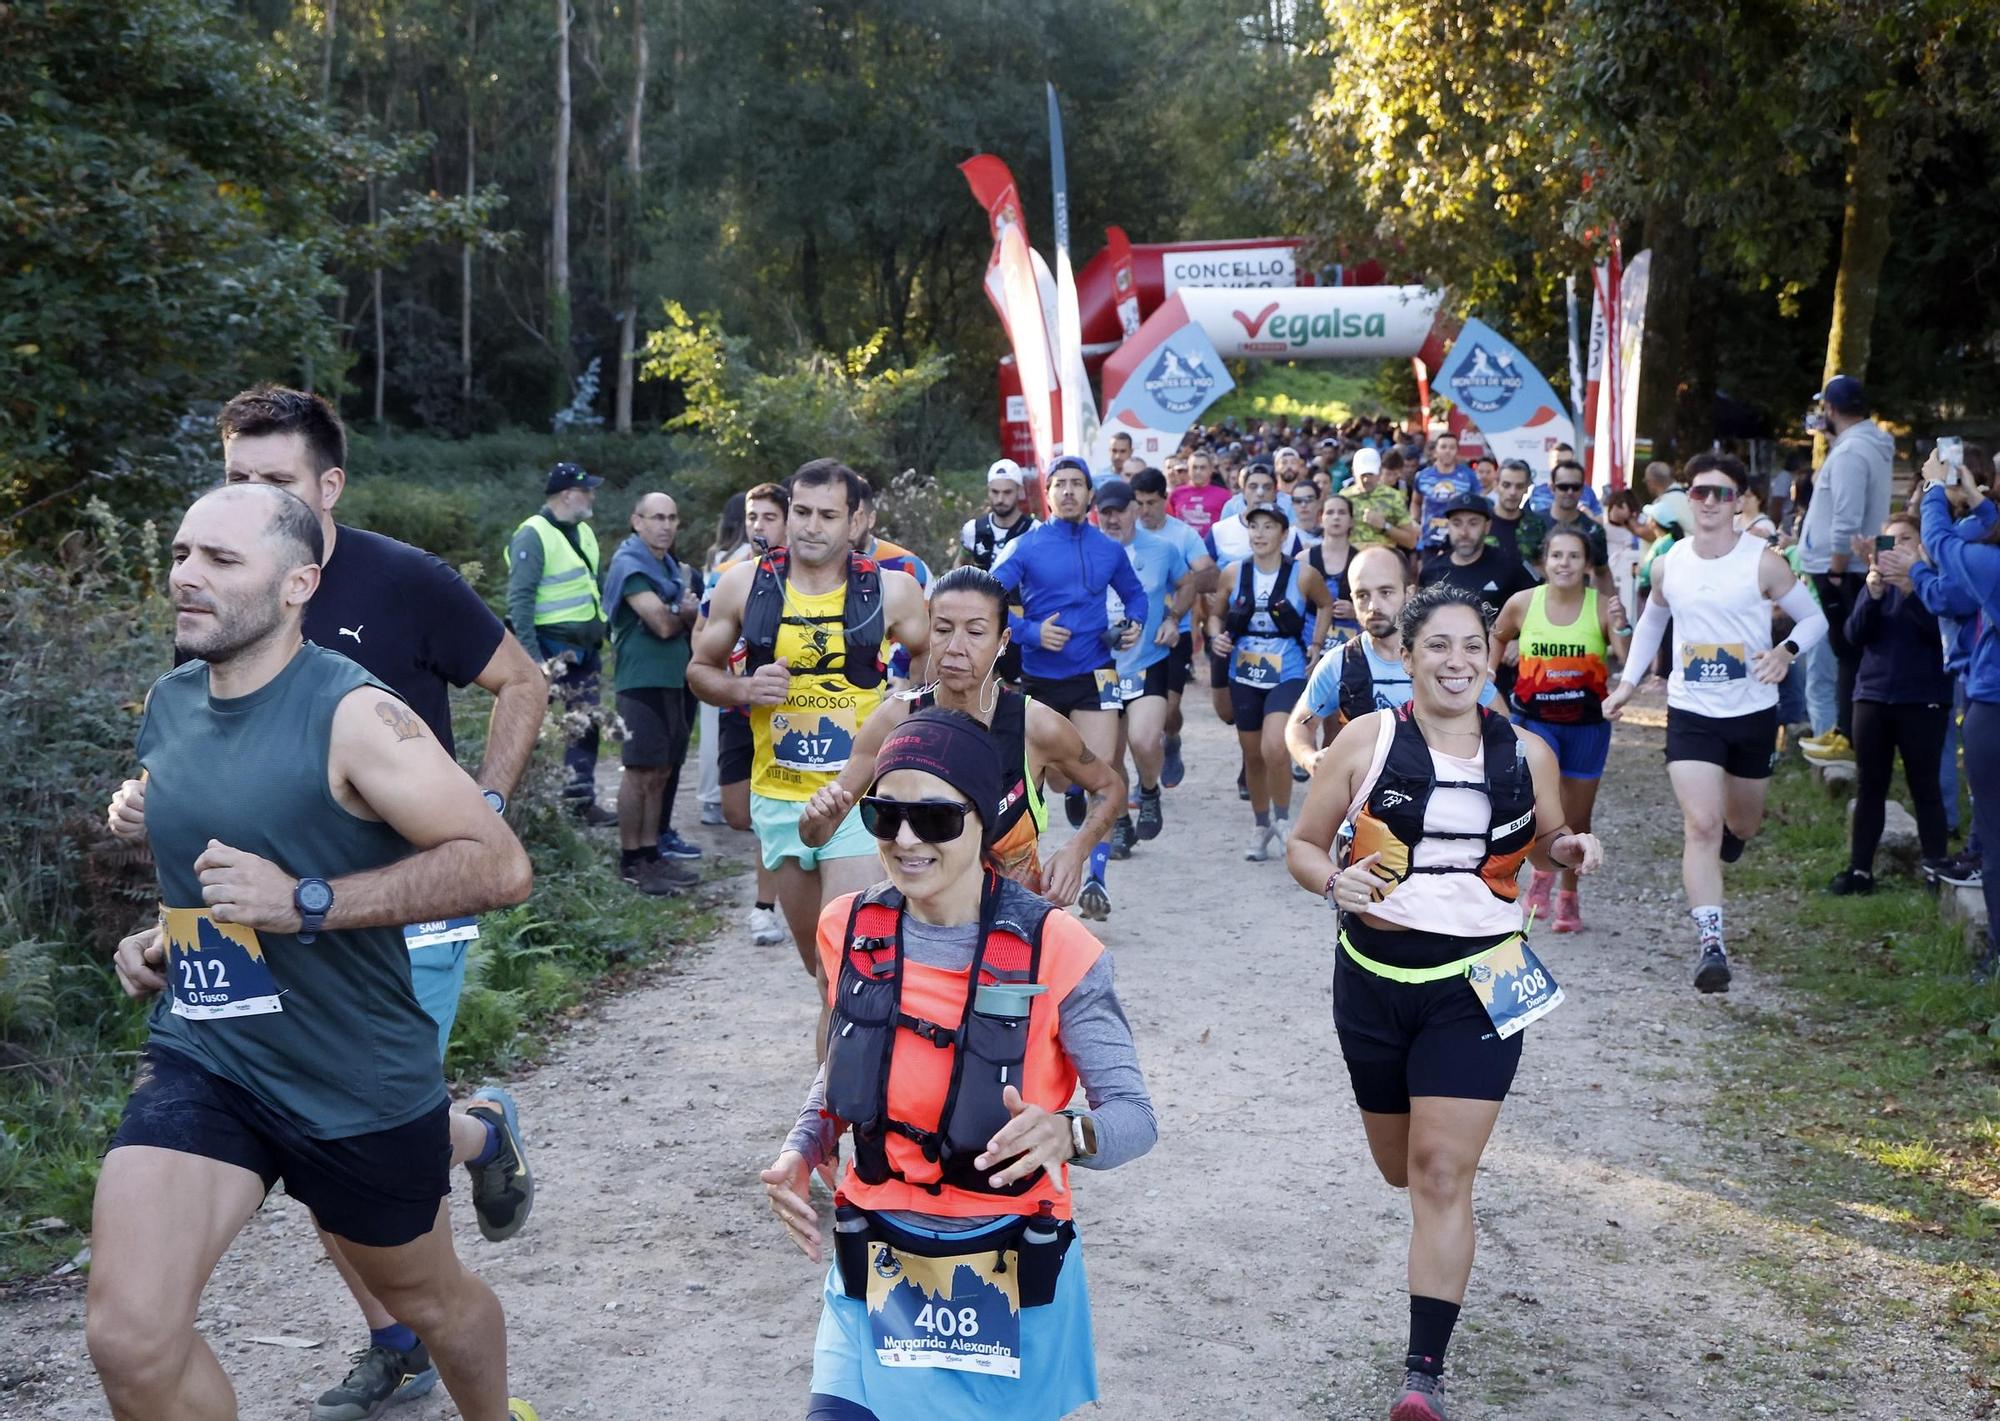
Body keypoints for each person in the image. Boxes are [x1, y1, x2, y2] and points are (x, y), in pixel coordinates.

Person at [116, 386, 544, 1420]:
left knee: (434, 1302)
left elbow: (498, 866)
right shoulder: (172, 703)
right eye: (182, 553)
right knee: (130, 1335)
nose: (186, 575)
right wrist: (161, 939)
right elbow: (220, 874)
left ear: (299, 578)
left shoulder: (358, 712)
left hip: (353, 1071)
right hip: (210, 1052)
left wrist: (304, 899)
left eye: (219, 560)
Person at [761, 708, 1155, 1421]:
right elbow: (850, 1064)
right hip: (874, 1255)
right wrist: (803, 1145)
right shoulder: (850, 926)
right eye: (885, 816)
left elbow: (1135, 1115)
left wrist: (1070, 1133)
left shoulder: (1057, 949)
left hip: (1009, 1264)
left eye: (935, 820)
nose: (906, 839)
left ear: (984, 821)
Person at [1286, 583, 1603, 1421]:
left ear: (1492, 656)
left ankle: (1422, 1373)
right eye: (1438, 646)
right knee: (1399, 1166)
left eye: (1472, 646)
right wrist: (1336, 882)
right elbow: (1304, 846)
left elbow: (1545, 839)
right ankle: (1435, 1222)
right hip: (1373, 981)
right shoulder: (1367, 740)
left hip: (1482, 980)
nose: (1457, 661)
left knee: (1438, 1170)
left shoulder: (1526, 754)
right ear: (1411, 654)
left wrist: (1571, 846)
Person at [689, 459, 930, 975]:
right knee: (817, 971)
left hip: (856, 797)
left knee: (847, 968)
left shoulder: (893, 590)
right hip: (778, 797)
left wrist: (908, 697)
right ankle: (832, 1057)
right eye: (800, 511)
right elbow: (699, 671)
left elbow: (933, 655)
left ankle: (852, 1054)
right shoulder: (742, 585)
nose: (811, 526)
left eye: (827, 515)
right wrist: (744, 687)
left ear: (855, 521)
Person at [1603, 453, 1830, 993]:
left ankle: (1734, 836)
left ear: (1739, 502)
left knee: (1741, 825)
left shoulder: (1764, 562)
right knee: (1701, 824)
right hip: (1691, 714)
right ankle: (1712, 944)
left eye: (1720, 494)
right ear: (1687, 498)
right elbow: (1656, 614)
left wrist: (1786, 652)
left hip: (1752, 712)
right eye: (1699, 492)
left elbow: (1816, 617)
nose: (1708, 502)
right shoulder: (1669, 562)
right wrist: (1629, 684)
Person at [796, 568, 1122, 905]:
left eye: (976, 633)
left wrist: (1076, 850)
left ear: (1003, 641)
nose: (955, 647)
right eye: (942, 630)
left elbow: (1109, 787)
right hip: (921, 932)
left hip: (1009, 934)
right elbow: (816, 834)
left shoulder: (1035, 725)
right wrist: (815, 817)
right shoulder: (895, 719)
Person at [991, 455, 1149, 920]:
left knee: (1104, 772)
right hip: (1041, 679)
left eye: (1077, 485)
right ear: (1048, 494)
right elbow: (990, 597)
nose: (1068, 492)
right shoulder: (1028, 545)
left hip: (1096, 672)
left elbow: (1135, 594)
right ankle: (1023, 869)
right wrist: (1032, 632)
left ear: (1089, 495)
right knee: (1055, 781)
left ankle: (1096, 876)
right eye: (1059, 484)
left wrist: (1136, 622)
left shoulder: (1107, 548)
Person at [1489, 526, 1629, 931]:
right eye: (1556, 556)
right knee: (1538, 807)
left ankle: (1569, 893)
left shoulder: (1601, 605)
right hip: (1535, 725)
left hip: (1587, 728)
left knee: (1578, 816)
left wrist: (1619, 626)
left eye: (1573, 556)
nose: (1564, 563)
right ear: (1543, 562)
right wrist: (1489, 673)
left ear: (1587, 564)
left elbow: (1625, 656)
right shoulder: (1522, 603)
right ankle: (1540, 877)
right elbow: (1496, 637)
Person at [1286, 548, 1500, 774]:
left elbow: (1502, 721)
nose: (1373, 606)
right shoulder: (1339, 662)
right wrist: (1310, 758)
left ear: (1409, 593)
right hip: (1364, 801)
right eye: (1362, 595)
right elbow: (1299, 725)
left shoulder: (1445, 659)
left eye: (1385, 592)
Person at [1828, 512, 1954, 895]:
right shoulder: (1875, 586)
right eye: (1889, 541)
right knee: (1870, 786)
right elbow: (1854, 635)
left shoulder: (1936, 585)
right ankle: (1860, 870)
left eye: (1903, 540)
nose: (1895, 548)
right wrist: (1874, 593)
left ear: (1920, 545)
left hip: (1923, 699)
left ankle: (1935, 869)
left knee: (1925, 786)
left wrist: (1911, 588)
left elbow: (1939, 634)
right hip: (1873, 696)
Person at [1209, 503, 1335, 860]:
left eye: (1268, 527)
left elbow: (1325, 604)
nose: (1259, 534)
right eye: (1254, 527)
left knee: (1275, 748)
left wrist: (1316, 643)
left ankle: (1283, 819)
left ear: (1284, 534)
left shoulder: (1303, 574)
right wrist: (1216, 635)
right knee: (1252, 755)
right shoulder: (1233, 573)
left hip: (1288, 669)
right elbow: (1215, 616)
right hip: (1244, 670)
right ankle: (1261, 824)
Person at [1915, 453, 2000, 977]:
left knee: (1994, 833)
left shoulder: (1991, 565)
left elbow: (1943, 546)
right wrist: (1976, 498)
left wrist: (1932, 490)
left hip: (1994, 705)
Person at [604, 492, 706, 896]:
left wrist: (681, 610)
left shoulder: (667, 566)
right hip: (641, 680)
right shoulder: (630, 564)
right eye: (657, 517)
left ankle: (652, 854)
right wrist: (686, 611)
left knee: (662, 770)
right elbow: (662, 623)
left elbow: (678, 613)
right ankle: (631, 861)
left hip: (672, 679)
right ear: (637, 521)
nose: (665, 525)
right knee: (639, 771)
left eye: (672, 518)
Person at [1095, 478, 1202, 846]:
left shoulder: (1161, 548)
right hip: (1100, 667)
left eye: (1119, 511)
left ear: (1134, 511)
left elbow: (1188, 583)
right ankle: (1121, 819)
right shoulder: (1086, 551)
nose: (1112, 519)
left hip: (1148, 660)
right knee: (1108, 754)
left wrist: (1173, 619)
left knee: (1143, 741)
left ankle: (1151, 790)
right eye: (1104, 512)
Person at [507, 462, 615, 823]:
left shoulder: (583, 531)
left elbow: (591, 587)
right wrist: (533, 658)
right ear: (568, 494)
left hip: (585, 650)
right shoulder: (532, 535)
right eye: (587, 490)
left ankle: (579, 802)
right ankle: (520, 806)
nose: (592, 496)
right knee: (534, 730)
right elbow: (519, 601)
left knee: (585, 726)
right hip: (549, 649)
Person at [710, 481, 794, 947]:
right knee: (739, 813)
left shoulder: (808, 578)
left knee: (770, 812)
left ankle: (765, 907)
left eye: (768, 517)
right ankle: (790, 880)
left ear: (788, 521)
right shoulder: (730, 574)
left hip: (792, 715)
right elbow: (703, 638)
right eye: (751, 517)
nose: (758, 526)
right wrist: (735, 682)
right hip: (740, 709)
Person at [1795, 375, 1895, 765]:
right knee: (1845, 652)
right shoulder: (1864, 444)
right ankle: (1843, 734)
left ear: (1832, 409)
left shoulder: (1853, 451)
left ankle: (1848, 739)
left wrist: (1836, 571)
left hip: (1843, 568)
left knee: (1845, 653)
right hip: (1847, 566)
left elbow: (1846, 515)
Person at [1130, 467, 1218, 789]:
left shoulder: (1183, 535)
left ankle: (1173, 738)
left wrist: (1187, 579)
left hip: (1173, 632)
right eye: (1137, 503)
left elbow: (1209, 574)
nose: (1144, 511)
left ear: (1165, 500)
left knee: (1169, 710)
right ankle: (1144, 779)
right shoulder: (1125, 534)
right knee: (1134, 715)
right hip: (1133, 637)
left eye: (1151, 503)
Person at [696, 493, 749, 827]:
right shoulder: (736, 565)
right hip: (726, 660)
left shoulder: (718, 554)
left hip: (720, 657)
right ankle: (714, 798)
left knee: (710, 734)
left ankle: (710, 798)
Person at [1417, 492, 1536, 624]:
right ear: (1448, 526)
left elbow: (1534, 609)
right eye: (1457, 524)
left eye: (1473, 524)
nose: (1464, 533)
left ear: (1487, 527)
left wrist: (1514, 641)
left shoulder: (1510, 568)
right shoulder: (1431, 571)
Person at [959, 459, 1040, 572]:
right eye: (995, 492)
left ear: (1020, 491)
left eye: (1007, 492)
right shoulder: (973, 530)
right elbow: (959, 565)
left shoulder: (1035, 531)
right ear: (988, 490)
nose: (1000, 499)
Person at [1304, 492, 1362, 647]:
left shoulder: (1363, 560)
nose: (1336, 517)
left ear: (1351, 521)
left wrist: (1356, 612)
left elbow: (1375, 603)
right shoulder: (1303, 559)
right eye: (1330, 512)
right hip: (1309, 637)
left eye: (1342, 512)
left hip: (1350, 640)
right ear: (1320, 519)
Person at [1410, 432, 1478, 552]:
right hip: (1429, 540)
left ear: (1457, 451)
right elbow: (1416, 502)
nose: (1447, 451)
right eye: (1443, 447)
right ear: (1436, 451)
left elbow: (1477, 505)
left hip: (1459, 541)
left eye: (1452, 447)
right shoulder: (1423, 476)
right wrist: (1415, 522)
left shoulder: (1469, 476)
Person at [1345, 448, 1419, 553]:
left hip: (1384, 558)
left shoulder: (1393, 497)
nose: (1366, 479)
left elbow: (1411, 541)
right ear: (1353, 471)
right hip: (1352, 559)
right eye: (1363, 474)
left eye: (1370, 474)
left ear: (1379, 471)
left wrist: (1384, 526)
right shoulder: (1343, 498)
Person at [1487, 459, 1549, 579]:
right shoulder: (1482, 522)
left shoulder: (1536, 526)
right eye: (1506, 485)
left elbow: (1545, 565)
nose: (1512, 492)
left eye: (1519, 486)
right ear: (1496, 485)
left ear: (1527, 488)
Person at [1167, 447, 1230, 539]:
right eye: (1194, 467)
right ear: (1188, 469)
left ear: (1211, 470)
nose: (1198, 471)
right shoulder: (1175, 493)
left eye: (1202, 467)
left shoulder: (1224, 495)